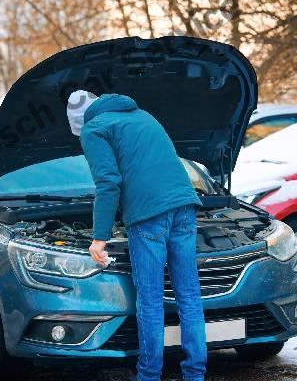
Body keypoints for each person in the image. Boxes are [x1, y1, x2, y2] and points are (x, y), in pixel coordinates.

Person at [66, 90, 207, 381]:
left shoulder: (94, 128)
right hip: (185, 206)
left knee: (151, 300)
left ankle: (148, 375)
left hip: (149, 215)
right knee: (190, 296)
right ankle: (195, 374)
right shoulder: (142, 115)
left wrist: (99, 237)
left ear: (79, 121)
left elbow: (108, 182)